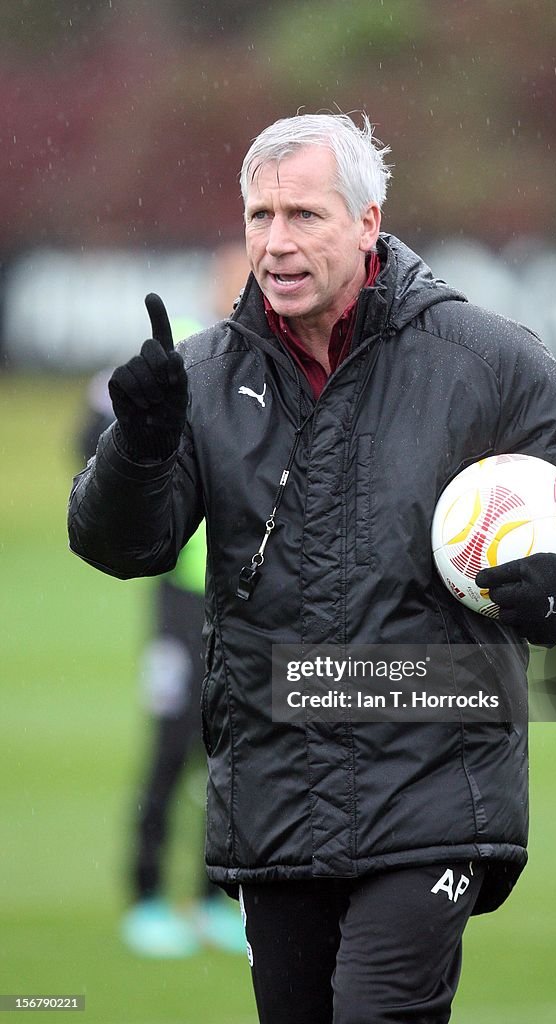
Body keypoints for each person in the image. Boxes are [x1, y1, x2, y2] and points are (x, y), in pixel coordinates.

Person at [68, 113, 556, 1022]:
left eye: (305, 215)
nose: (276, 243)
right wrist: (141, 450)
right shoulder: (201, 378)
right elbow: (121, 545)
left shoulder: (479, 358)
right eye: (260, 216)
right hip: (273, 793)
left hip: (436, 783)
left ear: (366, 222)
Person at [75, 257, 249, 959]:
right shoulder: (185, 352)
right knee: (173, 742)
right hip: (182, 593)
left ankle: (216, 901)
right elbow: (89, 431)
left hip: (245, 594)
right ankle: (146, 897)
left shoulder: (268, 366)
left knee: (233, 751)